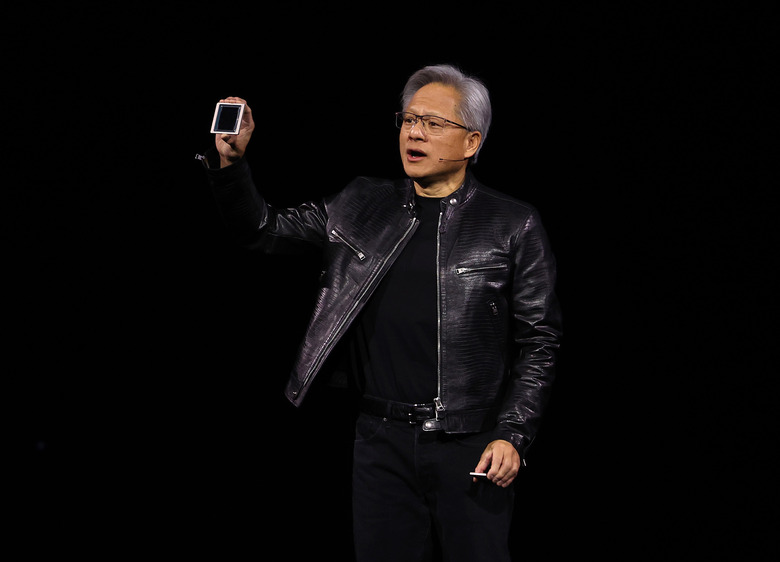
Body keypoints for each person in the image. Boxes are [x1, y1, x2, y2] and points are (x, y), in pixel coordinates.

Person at [201, 64, 562, 562]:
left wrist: (513, 435)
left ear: (471, 142)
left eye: (434, 123)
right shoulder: (362, 202)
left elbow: (539, 340)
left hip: (469, 444)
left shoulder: (511, 223)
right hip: (380, 442)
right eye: (409, 119)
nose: (414, 132)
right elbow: (262, 230)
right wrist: (232, 164)